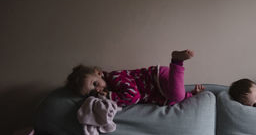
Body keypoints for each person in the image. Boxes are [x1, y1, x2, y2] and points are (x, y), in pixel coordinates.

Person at [66, 50, 205, 107]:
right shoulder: (111, 89)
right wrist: (191, 95)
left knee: (177, 96)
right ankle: (191, 94)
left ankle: (176, 61)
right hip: (161, 92)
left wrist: (110, 96)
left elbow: (134, 96)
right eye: (92, 92)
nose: (97, 89)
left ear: (99, 73)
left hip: (156, 78)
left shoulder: (115, 77)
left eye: (95, 83)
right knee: (175, 101)